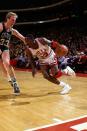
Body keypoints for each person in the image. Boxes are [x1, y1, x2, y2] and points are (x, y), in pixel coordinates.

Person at [0, 12, 27, 95]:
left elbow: (23, 38)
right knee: (2, 68)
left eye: (15, 20)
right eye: (12, 20)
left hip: (4, 48)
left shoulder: (12, 30)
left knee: (7, 64)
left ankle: (15, 84)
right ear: (7, 19)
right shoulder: (1, 26)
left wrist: (32, 43)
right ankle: (9, 80)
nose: (14, 22)